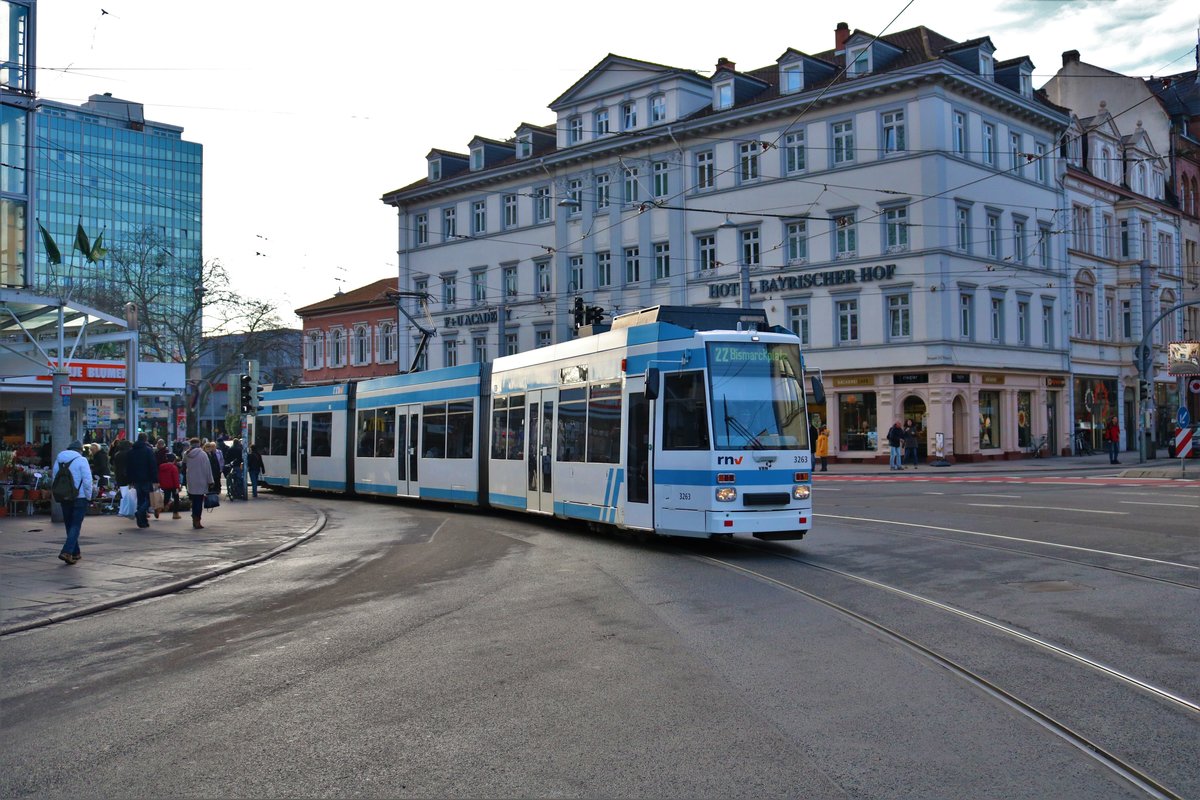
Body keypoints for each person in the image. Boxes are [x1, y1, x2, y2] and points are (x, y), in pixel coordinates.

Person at [52, 440, 92, 565]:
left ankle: (75, 552)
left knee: (69, 524)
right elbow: (87, 480)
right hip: (80, 497)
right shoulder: (82, 460)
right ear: (80, 450)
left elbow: (54, 478)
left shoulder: (59, 460)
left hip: (65, 496)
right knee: (75, 525)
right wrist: (89, 496)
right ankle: (67, 551)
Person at [126, 432, 159, 527]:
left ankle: (142, 521)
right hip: (146, 478)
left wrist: (130, 480)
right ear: (146, 439)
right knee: (149, 499)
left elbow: (128, 467)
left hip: (136, 479)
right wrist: (155, 480)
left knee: (140, 499)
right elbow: (153, 465)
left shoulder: (131, 451)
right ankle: (140, 513)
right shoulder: (148, 450)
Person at [183, 438, 214, 529]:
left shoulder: (187, 454)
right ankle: (197, 520)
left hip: (191, 481)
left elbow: (184, 464)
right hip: (201, 481)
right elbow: (208, 469)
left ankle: (194, 518)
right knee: (199, 502)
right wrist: (210, 481)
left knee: (194, 501)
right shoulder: (203, 454)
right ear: (199, 444)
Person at [159, 452, 182, 519]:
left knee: (166, 498)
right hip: (173, 486)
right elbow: (175, 478)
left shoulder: (161, 466)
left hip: (165, 486)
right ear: (174, 460)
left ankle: (159, 509)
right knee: (176, 498)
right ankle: (175, 513)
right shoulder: (174, 467)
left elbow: (159, 476)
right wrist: (178, 487)